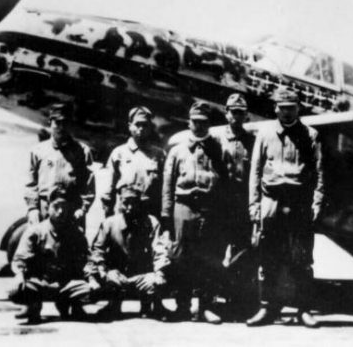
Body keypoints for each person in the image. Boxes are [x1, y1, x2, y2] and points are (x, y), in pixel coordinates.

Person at [246, 88, 325, 328]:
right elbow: (255, 172)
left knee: (301, 258)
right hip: (271, 203)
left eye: (291, 107)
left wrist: (317, 201)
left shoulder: (310, 135)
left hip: (299, 203)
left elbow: (320, 172)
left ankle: (303, 310)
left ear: (298, 108)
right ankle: (267, 308)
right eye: (282, 107)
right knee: (268, 257)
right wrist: (254, 206)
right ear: (275, 108)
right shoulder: (265, 133)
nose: (287, 111)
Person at [162, 101, 228, 324]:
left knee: (209, 258)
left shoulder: (219, 149)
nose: (199, 126)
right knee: (182, 257)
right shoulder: (177, 151)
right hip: (184, 208)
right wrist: (166, 215)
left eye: (203, 123)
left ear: (209, 124)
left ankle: (207, 306)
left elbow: (225, 181)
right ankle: (182, 305)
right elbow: (168, 186)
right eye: (195, 122)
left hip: (210, 209)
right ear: (188, 122)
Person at [86, 184, 171, 320]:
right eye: (126, 203)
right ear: (120, 202)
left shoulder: (151, 223)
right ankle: (113, 306)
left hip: (142, 275)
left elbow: (160, 251)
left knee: (154, 281)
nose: (130, 208)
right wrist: (102, 269)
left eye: (134, 203)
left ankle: (152, 306)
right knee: (108, 280)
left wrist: (158, 273)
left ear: (140, 203)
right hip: (118, 275)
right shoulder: (109, 223)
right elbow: (97, 250)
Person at [8, 189, 90, 324]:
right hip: (41, 282)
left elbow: (87, 259)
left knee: (93, 290)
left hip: (66, 284)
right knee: (17, 290)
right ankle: (33, 307)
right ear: (48, 207)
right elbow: (20, 258)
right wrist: (19, 275)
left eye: (64, 207)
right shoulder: (35, 231)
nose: (60, 212)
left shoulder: (76, 233)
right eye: (56, 207)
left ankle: (74, 306)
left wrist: (92, 278)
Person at [214, 93, 255, 316]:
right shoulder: (216, 139)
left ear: (245, 115)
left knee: (242, 255)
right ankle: (214, 302)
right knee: (217, 252)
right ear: (226, 112)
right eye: (233, 111)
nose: (236, 116)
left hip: (242, 206)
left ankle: (239, 303)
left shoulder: (252, 141)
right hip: (221, 205)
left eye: (241, 112)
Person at [24, 103, 95, 230]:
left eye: (65, 123)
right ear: (50, 122)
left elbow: (88, 185)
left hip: (72, 211)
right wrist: (33, 209)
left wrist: (83, 209)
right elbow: (31, 183)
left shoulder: (82, 151)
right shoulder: (38, 151)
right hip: (44, 209)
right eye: (57, 122)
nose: (61, 127)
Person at [101, 106, 166, 218]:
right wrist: (108, 217)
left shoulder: (159, 155)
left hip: (149, 216)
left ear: (150, 127)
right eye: (137, 124)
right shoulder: (119, 153)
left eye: (145, 125)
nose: (141, 128)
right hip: (124, 213)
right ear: (129, 126)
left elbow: (166, 191)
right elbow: (108, 191)